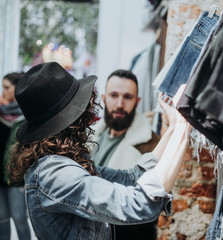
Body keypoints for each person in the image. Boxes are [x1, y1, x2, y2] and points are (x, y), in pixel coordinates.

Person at [7, 61, 189, 240]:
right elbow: (139, 203)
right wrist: (183, 126)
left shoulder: (62, 160)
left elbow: (131, 178)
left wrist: (173, 127)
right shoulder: (55, 173)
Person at [91, 69, 161, 239]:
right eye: (114, 95)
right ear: (103, 98)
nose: (120, 104)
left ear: (137, 101)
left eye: (127, 97)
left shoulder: (151, 145)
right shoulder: (90, 137)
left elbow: (148, 207)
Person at [0, 72, 32, 240]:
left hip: (16, 177)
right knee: (2, 219)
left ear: (18, 89)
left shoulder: (28, 116)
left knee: (20, 219)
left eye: (6, 87)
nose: (3, 92)